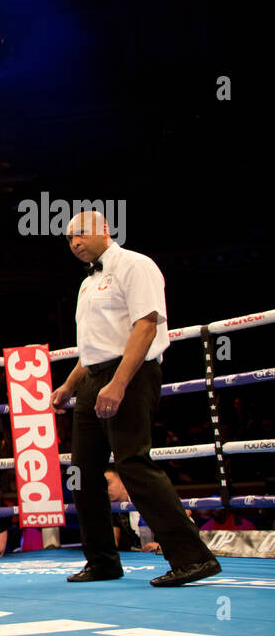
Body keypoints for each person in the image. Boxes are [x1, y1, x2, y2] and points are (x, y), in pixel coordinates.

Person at [52, 210, 221, 585]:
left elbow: (146, 326)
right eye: (69, 238)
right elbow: (93, 347)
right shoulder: (86, 283)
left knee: (133, 463)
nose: (75, 242)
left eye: (81, 233)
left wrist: (119, 383)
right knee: (82, 472)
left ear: (105, 230)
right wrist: (69, 385)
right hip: (93, 379)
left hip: (130, 373)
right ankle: (102, 561)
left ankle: (193, 557)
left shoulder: (135, 265)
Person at [104, 467, 159, 553]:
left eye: (108, 483)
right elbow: (111, 544)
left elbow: (183, 515)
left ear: (123, 482)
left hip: (162, 555)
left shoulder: (148, 498)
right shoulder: (112, 509)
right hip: (136, 557)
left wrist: (161, 546)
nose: (105, 488)